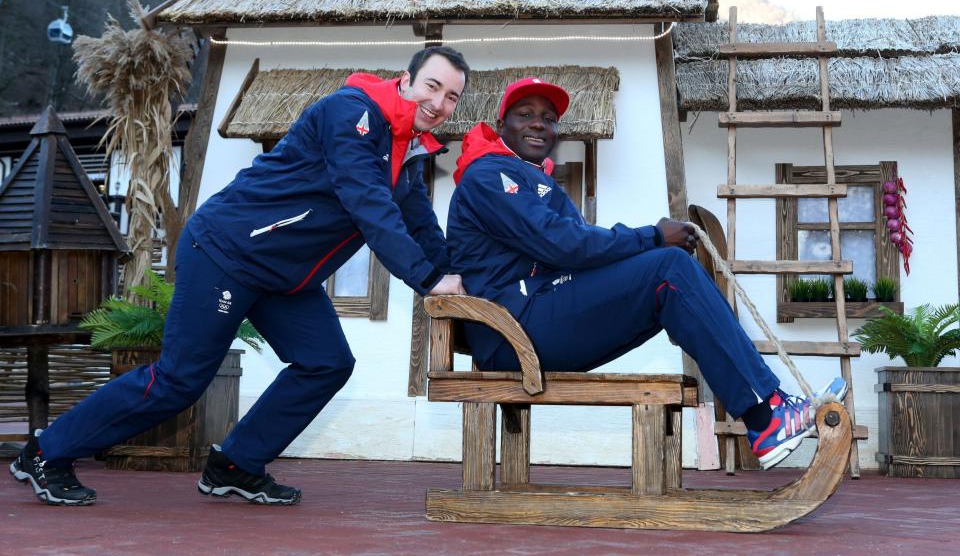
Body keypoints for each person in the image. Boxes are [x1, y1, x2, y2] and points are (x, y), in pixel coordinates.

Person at [10, 46, 470, 506]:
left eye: (451, 97)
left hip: (283, 279)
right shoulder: (352, 114)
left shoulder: (405, 150)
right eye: (432, 86)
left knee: (326, 362)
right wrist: (429, 280)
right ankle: (47, 452)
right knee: (180, 379)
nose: (439, 103)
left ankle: (236, 464)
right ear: (405, 80)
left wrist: (460, 275)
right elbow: (369, 205)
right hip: (226, 252)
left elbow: (420, 223)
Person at [445, 77, 846, 469]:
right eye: (525, 114)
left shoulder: (532, 178)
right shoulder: (489, 176)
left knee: (668, 278)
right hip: (510, 332)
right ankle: (766, 416)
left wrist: (649, 245)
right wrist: (653, 237)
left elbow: (579, 248)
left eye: (548, 118)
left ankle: (768, 410)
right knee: (668, 268)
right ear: (502, 127)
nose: (539, 123)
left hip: (534, 318)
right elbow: (565, 245)